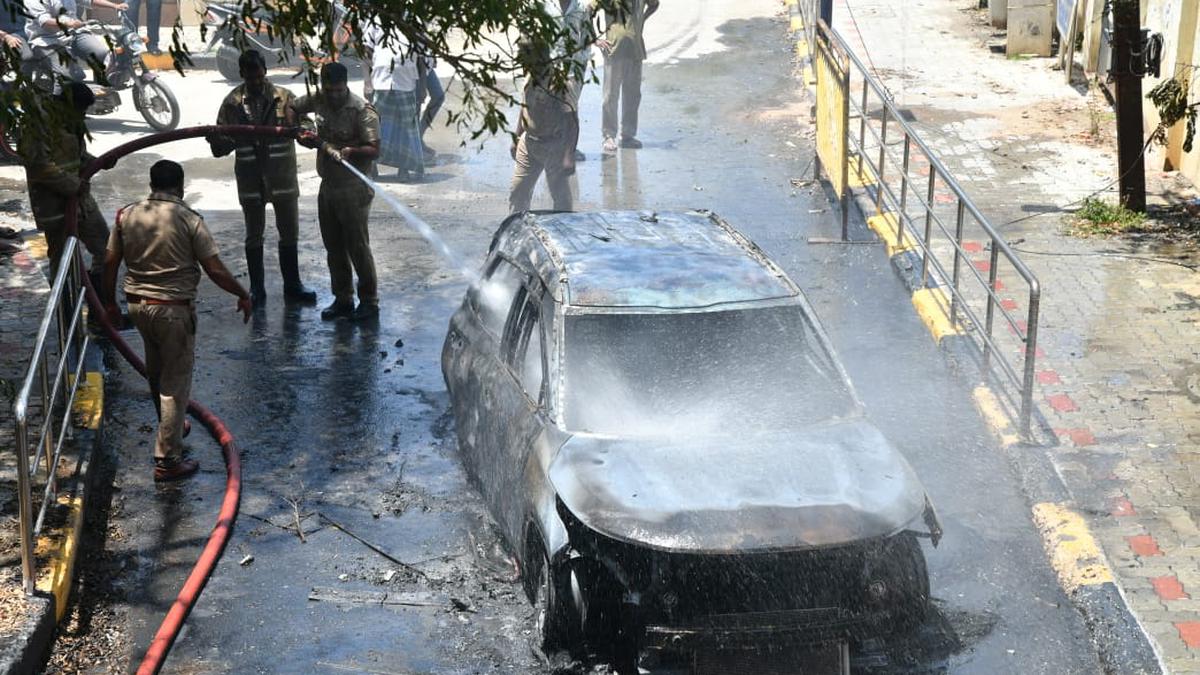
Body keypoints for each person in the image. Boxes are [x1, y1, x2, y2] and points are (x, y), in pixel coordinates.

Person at [101, 160, 252, 482]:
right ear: (180, 186)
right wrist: (242, 293)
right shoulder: (188, 219)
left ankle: (169, 426)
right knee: (175, 384)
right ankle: (167, 461)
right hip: (173, 310)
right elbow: (215, 269)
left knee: (156, 372)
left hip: (139, 308)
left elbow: (110, 261)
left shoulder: (127, 215)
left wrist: (110, 304)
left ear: (151, 184)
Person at [208, 49, 316, 307]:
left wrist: (303, 134)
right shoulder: (232, 103)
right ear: (242, 74)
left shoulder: (285, 98)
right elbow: (220, 148)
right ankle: (257, 289)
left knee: (289, 232)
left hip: (282, 178)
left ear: (265, 71)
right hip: (250, 179)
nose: (256, 83)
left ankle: (293, 285)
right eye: (250, 78)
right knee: (253, 234)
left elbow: (308, 129)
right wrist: (217, 139)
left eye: (259, 77)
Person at [290, 62, 382, 322]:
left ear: (346, 87)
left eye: (338, 91)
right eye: (329, 90)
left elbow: (375, 149)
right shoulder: (318, 99)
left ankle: (369, 302)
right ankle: (343, 299)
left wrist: (351, 152)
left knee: (358, 247)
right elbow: (293, 107)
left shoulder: (361, 110)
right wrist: (299, 130)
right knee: (334, 246)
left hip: (354, 187)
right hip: (328, 185)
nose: (333, 96)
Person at [18, 82, 109, 279]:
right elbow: (38, 166)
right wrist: (74, 186)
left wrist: (98, 162)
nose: (83, 115)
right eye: (81, 110)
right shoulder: (38, 126)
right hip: (55, 208)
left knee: (105, 247)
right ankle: (66, 305)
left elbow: (78, 155)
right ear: (67, 105)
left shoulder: (71, 122)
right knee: (63, 261)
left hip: (81, 203)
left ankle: (100, 301)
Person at [507, 40, 576, 215]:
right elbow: (524, 107)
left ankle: (565, 230)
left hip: (554, 146)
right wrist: (516, 138)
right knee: (518, 191)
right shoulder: (530, 76)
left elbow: (572, 122)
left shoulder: (559, 84)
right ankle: (516, 228)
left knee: (560, 197)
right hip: (528, 142)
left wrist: (568, 156)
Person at [362, 21, 424, 182]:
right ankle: (371, 166)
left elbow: (421, 56)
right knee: (376, 127)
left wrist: (423, 87)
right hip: (380, 81)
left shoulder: (414, 18)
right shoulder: (375, 19)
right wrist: (367, 81)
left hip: (406, 82)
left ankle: (404, 168)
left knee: (406, 128)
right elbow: (366, 51)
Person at [25, 0, 129, 89]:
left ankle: (102, 88)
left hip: (74, 34)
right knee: (68, 76)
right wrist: (69, 23)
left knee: (104, 55)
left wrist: (115, 6)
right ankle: (60, 106)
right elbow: (44, 22)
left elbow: (89, 1)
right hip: (48, 40)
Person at [598, 0, 658, 154]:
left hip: (635, 49)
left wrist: (642, 19)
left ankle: (628, 135)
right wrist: (595, 39)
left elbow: (654, 4)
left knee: (633, 95)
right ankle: (608, 135)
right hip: (614, 49)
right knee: (610, 95)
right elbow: (588, 11)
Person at [543, 0, 594, 162]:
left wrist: (582, 62)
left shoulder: (581, 7)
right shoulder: (546, 4)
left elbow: (586, 36)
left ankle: (570, 149)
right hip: (550, 64)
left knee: (570, 109)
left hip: (573, 67)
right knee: (550, 106)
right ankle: (553, 145)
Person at [415, 54, 443, 163]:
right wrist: (422, 85)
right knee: (416, 104)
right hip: (416, 68)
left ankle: (418, 136)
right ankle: (416, 148)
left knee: (438, 96)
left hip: (427, 65)